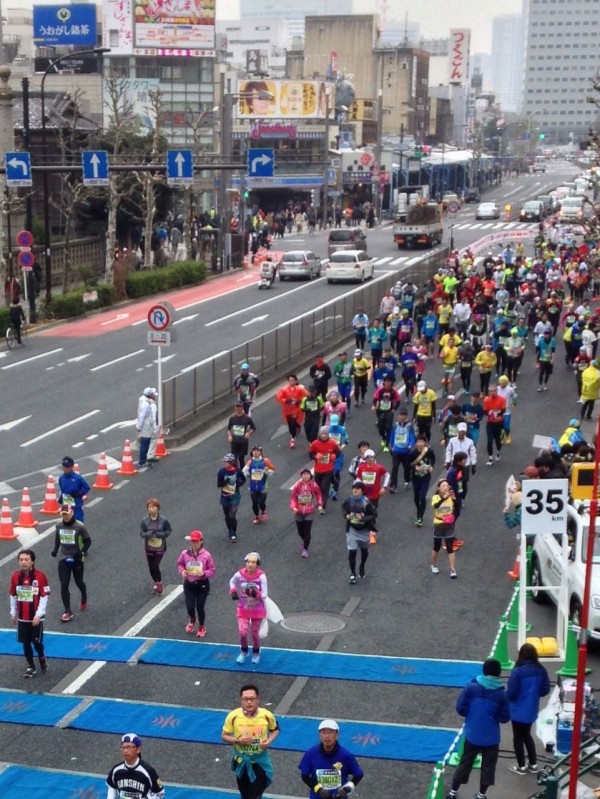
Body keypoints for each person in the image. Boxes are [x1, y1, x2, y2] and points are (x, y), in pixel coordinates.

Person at [446, 659, 510, 799]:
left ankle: (452, 792)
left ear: (484, 671)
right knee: (488, 767)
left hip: (473, 734)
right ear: (499, 673)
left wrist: (472, 715)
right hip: (491, 738)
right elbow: (505, 718)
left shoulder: (471, 687)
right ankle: (481, 795)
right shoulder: (501, 695)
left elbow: (460, 708)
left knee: (465, 763)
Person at [222, 684, 280, 799]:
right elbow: (224, 736)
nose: (249, 702)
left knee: (254, 795)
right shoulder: (233, 716)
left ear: (258, 699)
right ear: (241, 700)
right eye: (246, 699)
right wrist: (238, 740)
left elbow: (275, 730)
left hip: (260, 761)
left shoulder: (267, 715)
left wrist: (268, 741)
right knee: (245, 795)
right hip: (242, 760)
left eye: (252, 699)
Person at [507, 642, 550, 775]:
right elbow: (545, 690)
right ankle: (533, 763)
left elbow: (511, 693)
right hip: (531, 709)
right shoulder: (541, 670)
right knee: (527, 735)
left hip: (517, 710)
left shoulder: (517, 671)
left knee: (518, 738)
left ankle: (521, 766)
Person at [9, 549, 50, 678]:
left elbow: (44, 596)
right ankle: (31, 666)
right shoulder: (15, 576)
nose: (23, 562)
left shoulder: (40, 576)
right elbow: (13, 595)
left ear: (32, 561)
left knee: (36, 643)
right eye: (21, 560)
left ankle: (42, 657)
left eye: (26, 560)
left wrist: (39, 614)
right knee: (25, 643)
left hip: (36, 618)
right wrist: (13, 612)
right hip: (23, 618)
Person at [299, 719, 364, 799]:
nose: (327, 736)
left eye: (330, 732)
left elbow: (359, 775)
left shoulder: (346, 755)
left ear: (337, 734)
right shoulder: (311, 754)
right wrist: (319, 790)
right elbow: (304, 776)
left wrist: (346, 789)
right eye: (324, 732)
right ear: (320, 735)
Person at [51, 501, 91, 622]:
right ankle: (67, 610)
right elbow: (58, 538)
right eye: (63, 515)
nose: (65, 517)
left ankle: (84, 596)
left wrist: (82, 552)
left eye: (67, 514)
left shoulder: (79, 526)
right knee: (64, 584)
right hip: (64, 557)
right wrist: (55, 550)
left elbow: (88, 541)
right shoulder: (58, 526)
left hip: (77, 558)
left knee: (79, 582)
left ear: (72, 513)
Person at [229, 553, 268, 664]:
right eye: (248, 562)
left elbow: (265, 594)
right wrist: (233, 591)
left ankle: (256, 653)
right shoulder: (239, 574)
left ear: (257, 564)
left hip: (257, 609)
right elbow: (231, 581)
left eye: (253, 562)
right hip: (243, 608)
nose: (250, 564)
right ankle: (243, 651)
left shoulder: (261, 576)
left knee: (255, 633)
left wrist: (256, 593)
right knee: (243, 632)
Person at [176, 530, 216, 638]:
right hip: (189, 583)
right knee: (190, 607)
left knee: (200, 606)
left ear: (201, 541)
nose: (195, 543)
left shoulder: (206, 555)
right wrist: (182, 571)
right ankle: (192, 618)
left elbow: (212, 570)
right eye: (193, 541)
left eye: (197, 541)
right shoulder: (185, 553)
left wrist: (203, 573)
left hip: (202, 584)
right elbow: (180, 564)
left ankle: (202, 626)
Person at [106, 733, 164, 799]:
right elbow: (111, 787)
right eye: (123, 747)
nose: (125, 750)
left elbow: (160, 793)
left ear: (138, 749)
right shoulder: (116, 770)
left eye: (129, 747)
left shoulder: (148, 770)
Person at [342, 480, 377, 584]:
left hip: (364, 530)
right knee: (352, 552)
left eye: (358, 488)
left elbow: (374, 515)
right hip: (352, 529)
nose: (355, 490)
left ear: (362, 491)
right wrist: (346, 516)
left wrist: (363, 518)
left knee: (364, 551)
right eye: (354, 488)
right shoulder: (348, 500)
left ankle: (361, 566)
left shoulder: (366, 502)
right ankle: (352, 573)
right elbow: (344, 510)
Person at [139, 498, 172, 595]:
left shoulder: (164, 520)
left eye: (154, 507)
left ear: (158, 508)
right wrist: (147, 534)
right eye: (150, 507)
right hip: (149, 547)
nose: (152, 509)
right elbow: (141, 533)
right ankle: (157, 583)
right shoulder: (144, 521)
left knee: (155, 565)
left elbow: (168, 531)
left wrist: (160, 534)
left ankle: (160, 583)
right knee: (150, 568)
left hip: (160, 547)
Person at [290, 468, 324, 558]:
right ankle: (305, 541)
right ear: (301, 476)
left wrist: (320, 504)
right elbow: (293, 498)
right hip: (298, 511)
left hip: (309, 511)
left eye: (307, 474)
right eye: (304, 474)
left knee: (307, 531)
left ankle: (305, 549)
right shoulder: (297, 486)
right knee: (300, 531)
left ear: (310, 476)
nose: (305, 476)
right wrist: (293, 507)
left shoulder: (313, 485)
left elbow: (319, 495)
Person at [430, 479, 458, 578]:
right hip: (438, 524)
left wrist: (454, 499)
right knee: (437, 546)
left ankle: (453, 569)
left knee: (450, 547)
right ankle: (433, 565)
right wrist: (444, 498)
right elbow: (436, 506)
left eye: (447, 486)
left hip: (449, 525)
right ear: (439, 488)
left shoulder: (451, 497)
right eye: (443, 486)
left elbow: (457, 510)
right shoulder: (435, 497)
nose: (445, 488)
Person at [309, 427, 341, 513]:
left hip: (328, 469)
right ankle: (320, 500)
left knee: (324, 487)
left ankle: (322, 505)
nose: (324, 435)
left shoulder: (332, 443)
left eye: (325, 434)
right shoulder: (315, 443)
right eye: (322, 434)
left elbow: (338, 452)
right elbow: (311, 454)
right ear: (320, 434)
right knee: (317, 487)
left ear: (328, 435)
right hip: (318, 469)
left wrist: (334, 456)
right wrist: (315, 456)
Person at [244, 445, 275, 525]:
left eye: (257, 451)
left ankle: (263, 512)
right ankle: (257, 516)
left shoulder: (265, 461)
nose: (255, 452)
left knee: (261, 502)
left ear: (261, 452)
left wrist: (266, 471)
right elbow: (244, 471)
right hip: (253, 486)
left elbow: (272, 470)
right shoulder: (250, 461)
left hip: (263, 485)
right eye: (254, 451)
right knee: (254, 502)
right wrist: (247, 474)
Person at [218, 453, 247, 542]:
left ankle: (234, 533)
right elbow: (219, 484)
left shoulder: (237, 471)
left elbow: (243, 479)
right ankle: (230, 530)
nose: (225, 463)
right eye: (224, 462)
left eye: (226, 462)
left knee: (232, 516)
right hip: (225, 496)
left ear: (231, 462)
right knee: (227, 515)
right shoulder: (221, 472)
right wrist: (225, 482)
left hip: (235, 496)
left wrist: (239, 484)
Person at [276, 373, 308, 448]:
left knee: (294, 422)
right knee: (291, 424)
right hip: (288, 410)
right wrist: (286, 400)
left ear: (296, 381)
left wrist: (299, 401)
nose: (291, 382)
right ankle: (294, 433)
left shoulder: (300, 389)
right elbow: (278, 397)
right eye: (290, 380)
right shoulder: (284, 390)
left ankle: (293, 436)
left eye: (293, 380)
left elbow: (306, 396)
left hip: (297, 409)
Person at [389, 408, 416, 491]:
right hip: (396, 450)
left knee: (406, 467)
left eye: (403, 415)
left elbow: (412, 437)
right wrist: (390, 445)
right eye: (400, 415)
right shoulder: (395, 425)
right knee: (395, 467)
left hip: (406, 451)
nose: (402, 417)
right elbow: (392, 435)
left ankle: (407, 480)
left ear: (406, 416)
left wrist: (410, 445)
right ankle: (393, 485)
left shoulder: (409, 426)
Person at [58, 456, 90, 522]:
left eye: (67, 466)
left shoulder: (77, 478)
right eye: (64, 466)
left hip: (76, 502)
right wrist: (61, 497)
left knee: (78, 521)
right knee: (68, 521)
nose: (65, 468)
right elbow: (62, 489)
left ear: (72, 467)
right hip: (67, 501)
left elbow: (87, 487)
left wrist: (79, 494)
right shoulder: (61, 478)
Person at [228, 401, 257, 469]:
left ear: (242, 407)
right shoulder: (232, 418)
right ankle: (235, 472)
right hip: (234, 441)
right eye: (236, 407)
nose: (238, 409)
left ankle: (242, 472)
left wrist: (248, 433)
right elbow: (229, 429)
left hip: (243, 442)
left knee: (241, 458)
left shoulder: (247, 418)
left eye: (239, 407)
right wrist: (229, 436)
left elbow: (253, 428)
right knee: (234, 459)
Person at [136, 387, 159, 470]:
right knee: (145, 443)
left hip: (145, 425)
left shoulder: (142, 400)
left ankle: (143, 460)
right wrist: (139, 426)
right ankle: (142, 462)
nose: (155, 396)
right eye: (153, 395)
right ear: (150, 395)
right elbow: (143, 416)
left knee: (145, 443)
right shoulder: (146, 404)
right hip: (146, 426)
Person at [483, 385, 506, 465]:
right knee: (489, 441)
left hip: (500, 423)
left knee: (498, 441)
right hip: (490, 424)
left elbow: (503, 410)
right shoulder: (487, 401)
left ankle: (498, 452)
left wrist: (497, 414)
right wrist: (490, 413)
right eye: (491, 391)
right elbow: (485, 411)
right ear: (489, 392)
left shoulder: (502, 399)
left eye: (494, 390)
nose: (493, 392)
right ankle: (490, 458)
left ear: (497, 391)